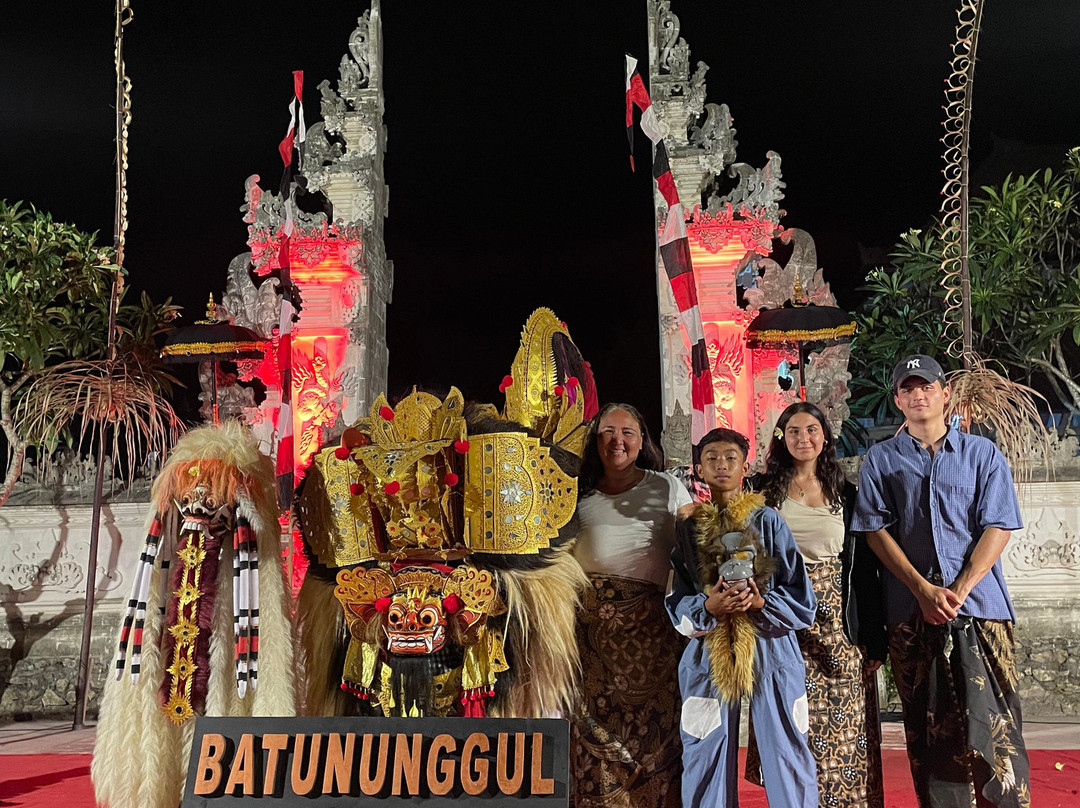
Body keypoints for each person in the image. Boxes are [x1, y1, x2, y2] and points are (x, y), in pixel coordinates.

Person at [852, 355, 1031, 808]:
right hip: (912, 614)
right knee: (929, 726)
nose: (918, 395)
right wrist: (921, 590)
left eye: (926, 387)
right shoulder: (882, 460)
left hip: (981, 609)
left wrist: (962, 588)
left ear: (944, 393)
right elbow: (875, 530)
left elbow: (999, 525)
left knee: (997, 723)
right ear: (897, 399)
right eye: (908, 389)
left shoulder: (982, 454)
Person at [668, 427, 818, 808]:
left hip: (771, 650)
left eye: (730, 458)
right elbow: (677, 599)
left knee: (787, 751)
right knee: (704, 754)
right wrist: (707, 608)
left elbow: (801, 598)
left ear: (745, 466)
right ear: (698, 469)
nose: (722, 465)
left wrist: (760, 603)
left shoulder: (768, 521)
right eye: (712, 458)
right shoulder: (688, 529)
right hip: (708, 654)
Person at [751, 401, 885, 808]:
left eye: (811, 430)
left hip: (837, 623)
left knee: (847, 725)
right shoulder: (761, 492)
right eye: (793, 431)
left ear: (825, 437)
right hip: (783, 620)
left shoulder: (847, 492)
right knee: (794, 724)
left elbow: (864, 570)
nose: (803, 438)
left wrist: (874, 637)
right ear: (782, 437)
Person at [570, 403, 693, 808]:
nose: (617, 441)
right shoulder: (576, 495)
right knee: (591, 740)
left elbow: (697, 545)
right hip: (589, 642)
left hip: (653, 637)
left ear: (642, 443)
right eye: (607, 431)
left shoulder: (666, 488)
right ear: (594, 440)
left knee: (655, 736)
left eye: (627, 433)